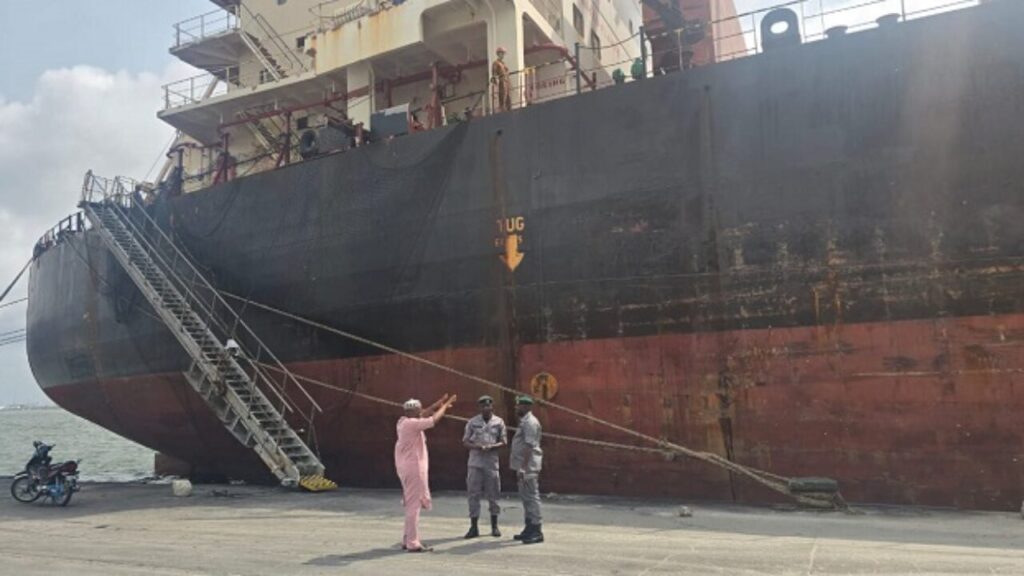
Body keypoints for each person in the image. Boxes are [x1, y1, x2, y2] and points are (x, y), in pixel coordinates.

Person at [395, 394, 457, 552]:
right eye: (419, 410)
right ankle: (412, 543)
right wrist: (444, 407)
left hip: (406, 467)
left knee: (410, 504)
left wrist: (436, 404)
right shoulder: (411, 424)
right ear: (413, 412)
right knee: (413, 506)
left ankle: (407, 538)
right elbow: (432, 420)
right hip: (413, 467)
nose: (421, 411)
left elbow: (423, 415)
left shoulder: (402, 422)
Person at [462, 395, 507, 539]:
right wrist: (477, 446)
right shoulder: (472, 422)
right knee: (473, 494)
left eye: (488, 406)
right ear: (479, 408)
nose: (486, 409)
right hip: (475, 462)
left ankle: (494, 526)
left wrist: (492, 446)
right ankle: (473, 526)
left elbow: (504, 441)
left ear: (492, 407)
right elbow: (465, 441)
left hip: (491, 463)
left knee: (493, 494)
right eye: (483, 406)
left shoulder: (499, 422)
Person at [509, 395, 544, 544]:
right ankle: (529, 527)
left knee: (531, 497)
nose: (517, 408)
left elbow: (529, 446)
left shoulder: (530, 422)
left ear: (527, 407)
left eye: (519, 406)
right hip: (524, 466)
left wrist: (523, 468)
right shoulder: (525, 421)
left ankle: (536, 530)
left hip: (528, 467)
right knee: (526, 498)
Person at [491, 47, 512, 112]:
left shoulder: (503, 64)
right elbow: (494, 72)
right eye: (501, 53)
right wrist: (495, 79)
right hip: (502, 80)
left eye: (503, 53)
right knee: (503, 95)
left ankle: (508, 108)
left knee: (508, 96)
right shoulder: (496, 63)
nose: (503, 55)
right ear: (498, 54)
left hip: (507, 81)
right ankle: (502, 108)